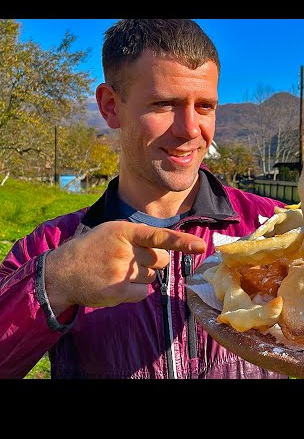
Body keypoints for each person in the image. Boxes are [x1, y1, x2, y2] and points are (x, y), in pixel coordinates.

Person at [0, 19, 287, 379]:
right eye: (164, 104)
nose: (191, 130)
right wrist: (55, 283)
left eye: (205, 107)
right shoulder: (50, 248)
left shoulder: (275, 228)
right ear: (110, 106)